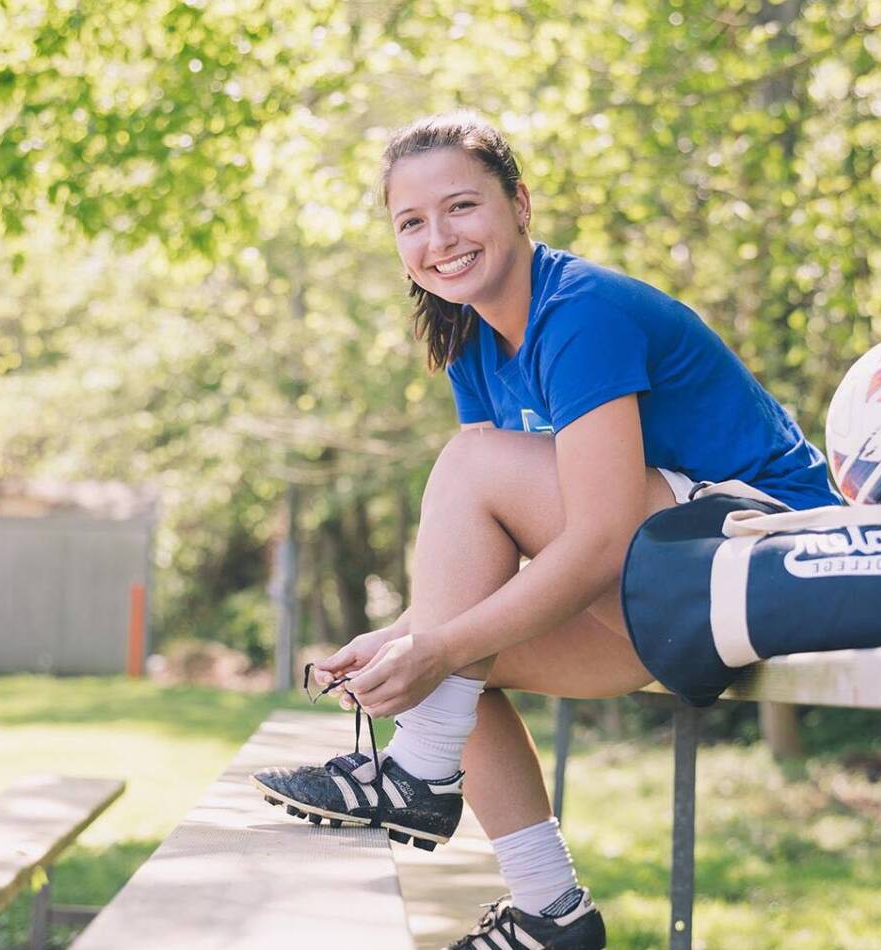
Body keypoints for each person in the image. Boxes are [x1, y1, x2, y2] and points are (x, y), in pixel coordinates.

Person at [252, 111, 840, 950]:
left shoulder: (581, 312)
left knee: (466, 503)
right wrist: (409, 638)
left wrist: (438, 642)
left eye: (461, 207)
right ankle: (550, 910)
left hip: (763, 564)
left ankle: (418, 770)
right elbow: (501, 564)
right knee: (456, 665)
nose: (438, 239)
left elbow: (597, 537)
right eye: (410, 222)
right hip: (659, 593)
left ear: (520, 204)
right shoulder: (470, 343)